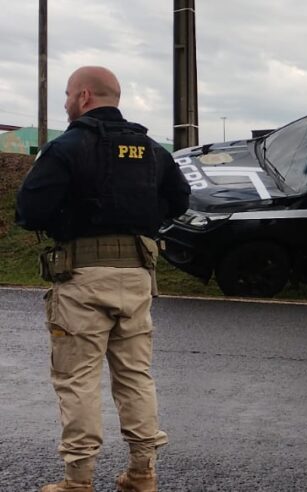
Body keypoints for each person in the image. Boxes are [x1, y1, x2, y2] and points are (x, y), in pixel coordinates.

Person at [16, 66, 190, 492]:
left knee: (77, 378)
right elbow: (180, 199)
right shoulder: (151, 149)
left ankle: (78, 479)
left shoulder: (68, 146)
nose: (65, 102)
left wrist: (66, 222)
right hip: (136, 275)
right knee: (135, 375)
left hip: (82, 277)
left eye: (67, 95)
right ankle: (142, 472)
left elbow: (30, 210)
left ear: (85, 96)